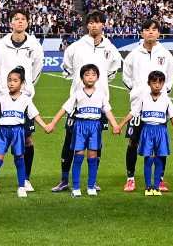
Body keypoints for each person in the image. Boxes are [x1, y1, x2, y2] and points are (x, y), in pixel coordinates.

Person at [0, 65, 52, 198]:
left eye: (15, 80)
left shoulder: (26, 99)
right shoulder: (1, 98)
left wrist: (45, 126)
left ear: (22, 83)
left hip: (18, 131)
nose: (11, 83)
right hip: (2, 132)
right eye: (9, 80)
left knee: (19, 159)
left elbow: (35, 115)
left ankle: (21, 187)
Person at [0, 8, 45, 191]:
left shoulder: (35, 46)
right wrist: (4, 90)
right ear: (10, 23)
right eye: (16, 19)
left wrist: (25, 90)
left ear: (27, 23)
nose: (19, 22)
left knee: (27, 140)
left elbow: (37, 70)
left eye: (23, 19)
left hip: (24, 101)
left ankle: (25, 179)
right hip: (4, 100)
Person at [48, 62, 120, 196]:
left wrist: (115, 125)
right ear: (82, 78)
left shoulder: (101, 94)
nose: (90, 77)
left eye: (93, 74)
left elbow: (108, 111)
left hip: (95, 127)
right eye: (87, 75)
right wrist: (52, 123)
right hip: (80, 126)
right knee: (78, 155)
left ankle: (91, 186)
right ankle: (76, 188)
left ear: (98, 77)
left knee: (93, 156)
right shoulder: (77, 94)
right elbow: (64, 109)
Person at [121, 20, 173, 192]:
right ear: (142, 33)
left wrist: (162, 94)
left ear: (159, 33)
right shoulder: (133, 55)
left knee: (160, 145)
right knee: (133, 142)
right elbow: (126, 77)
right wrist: (138, 91)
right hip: (138, 106)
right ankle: (130, 178)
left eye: (154, 30)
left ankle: (159, 179)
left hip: (158, 108)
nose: (150, 32)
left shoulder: (166, 54)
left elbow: (170, 79)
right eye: (147, 29)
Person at [123, 69, 173, 197]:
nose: (157, 85)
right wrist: (120, 125)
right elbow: (133, 113)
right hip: (147, 130)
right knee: (148, 159)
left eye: (160, 82)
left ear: (163, 84)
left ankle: (157, 186)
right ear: (149, 83)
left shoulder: (166, 99)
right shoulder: (143, 98)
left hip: (161, 131)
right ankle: (148, 187)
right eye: (154, 82)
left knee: (158, 159)